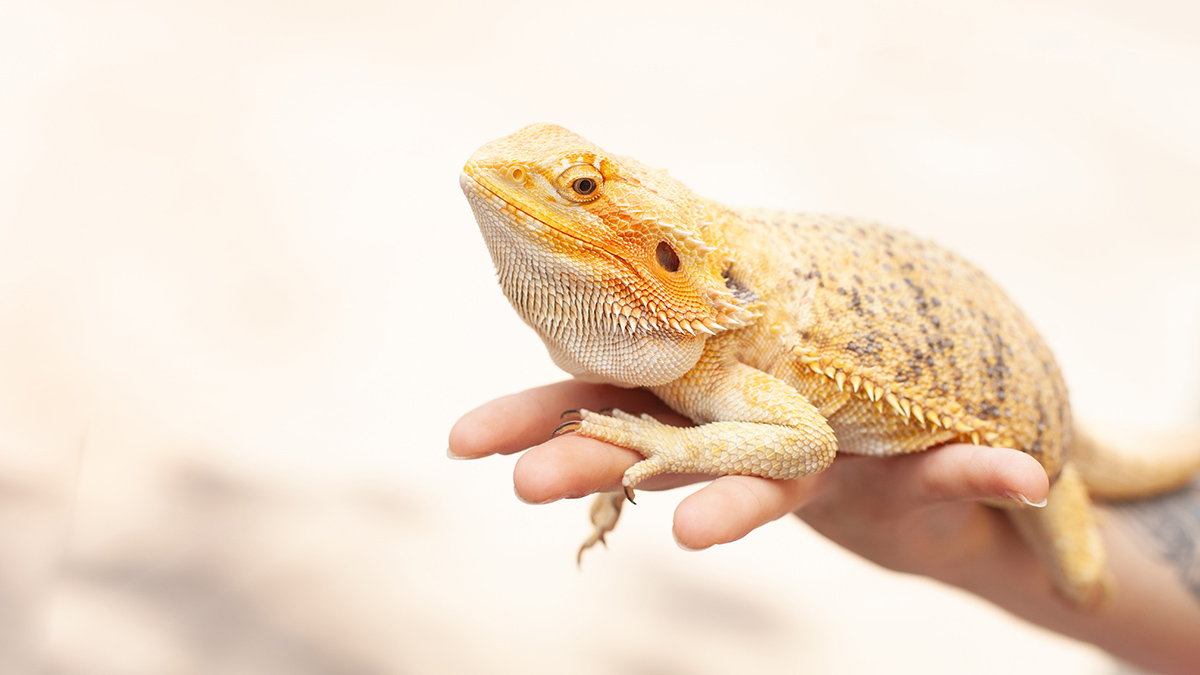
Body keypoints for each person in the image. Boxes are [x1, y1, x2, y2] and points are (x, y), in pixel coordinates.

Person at [449, 379, 1200, 675]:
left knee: (1081, 572)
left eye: (585, 192)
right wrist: (970, 557)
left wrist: (675, 443)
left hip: (1039, 435)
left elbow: (806, 443)